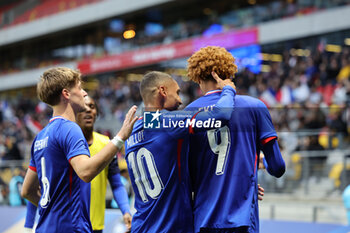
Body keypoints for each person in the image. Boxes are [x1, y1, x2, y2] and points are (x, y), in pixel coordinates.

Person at [21, 67, 138, 233]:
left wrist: (53, 210)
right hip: (71, 228)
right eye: (80, 88)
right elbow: (85, 171)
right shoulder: (70, 129)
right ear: (66, 94)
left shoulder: (40, 137)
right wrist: (120, 137)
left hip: (46, 228)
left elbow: (27, 191)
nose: (84, 93)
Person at [186, 46, 286, 233]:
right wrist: (247, 179)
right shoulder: (255, 106)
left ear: (198, 77)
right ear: (228, 73)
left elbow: (186, 174)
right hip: (242, 220)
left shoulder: (188, 114)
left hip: (203, 219)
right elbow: (278, 167)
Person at [124, 71, 236, 232]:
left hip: (141, 226)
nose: (180, 100)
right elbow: (221, 116)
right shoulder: (166, 121)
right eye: (176, 93)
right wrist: (228, 90)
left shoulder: (133, 129)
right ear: (162, 91)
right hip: (168, 228)